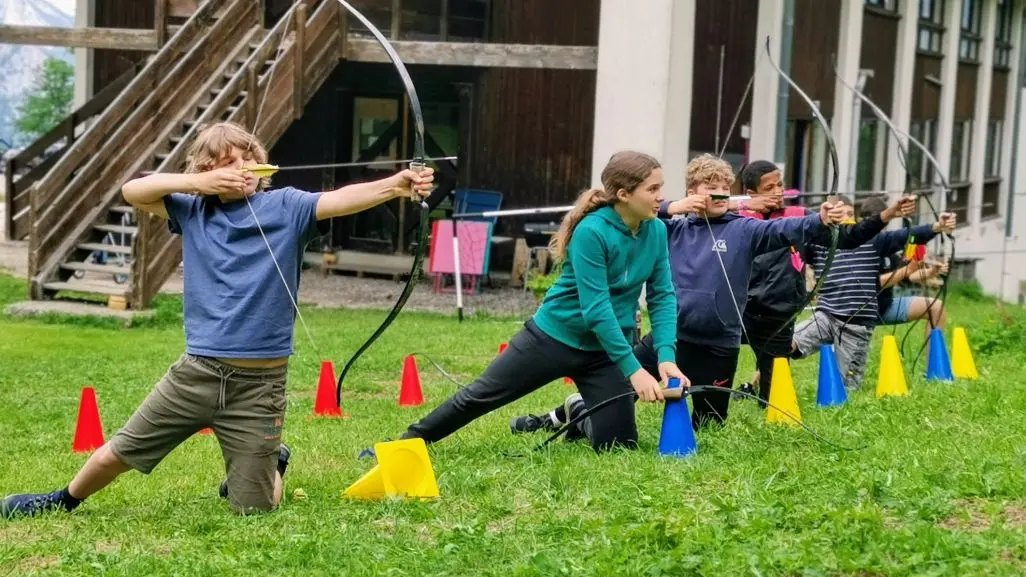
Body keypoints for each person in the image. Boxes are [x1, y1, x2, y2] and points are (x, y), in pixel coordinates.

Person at [1, 121, 434, 517]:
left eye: (248, 158)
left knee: (255, 510)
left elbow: (340, 200)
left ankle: (274, 461)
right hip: (197, 374)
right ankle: (62, 499)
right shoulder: (192, 211)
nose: (241, 168)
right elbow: (134, 190)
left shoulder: (287, 206)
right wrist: (200, 184)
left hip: (260, 385)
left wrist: (396, 185)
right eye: (228, 163)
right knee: (115, 454)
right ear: (208, 172)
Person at [513, 153, 878, 434]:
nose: (720, 194)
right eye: (710, 189)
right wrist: (676, 207)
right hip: (670, 340)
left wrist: (820, 219)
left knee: (710, 424)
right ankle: (558, 415)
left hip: (719, 344)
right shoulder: (668, 227)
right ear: (692, 195)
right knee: (611, 391)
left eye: (726, 187)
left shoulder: (746, 229)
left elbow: (785, 229)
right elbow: (641, 211)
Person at [401, 151, 686, 453]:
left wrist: (665, 356)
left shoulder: (656, 230)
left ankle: (578, 413)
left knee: (619, 446)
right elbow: (597, 310)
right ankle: (405, 443)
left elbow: (663, 296)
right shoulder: (592, 232)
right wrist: (634, 369)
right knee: (481, 395)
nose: (661, 197)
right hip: (552, 338)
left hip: (604, 352)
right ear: (624, 194)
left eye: (660, 187)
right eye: (653, 189)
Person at [730, 161, 916, 404]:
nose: (778, 191)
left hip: (777, 314)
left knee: (773, 396)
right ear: (752, 193)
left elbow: (849, 238)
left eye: (780, 184)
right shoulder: (733, 218)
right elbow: (701, 206)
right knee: (713, 368)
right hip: (736, 311)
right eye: (769, 187)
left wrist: (888, 214)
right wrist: (743, 203)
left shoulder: (799, 217)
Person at [790, 197, 956, 390]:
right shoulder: (817, 244)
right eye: (838, 213)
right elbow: (790, 242)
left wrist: (937, 226)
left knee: (845, 388)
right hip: (825, 316)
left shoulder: (873, 241)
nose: (845, 218)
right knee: (785, 342)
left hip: (857, 323)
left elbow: (907, 235)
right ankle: (757, 386)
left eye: (850, 214)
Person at [863, 196, 950, 334]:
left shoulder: (887, 244)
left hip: (885, 308)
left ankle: (933, 356)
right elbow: (874, 284)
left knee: (936, 308)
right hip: (856, 311)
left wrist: (933, 271)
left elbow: (911, 277)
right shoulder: (856, 245)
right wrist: (907, 269)